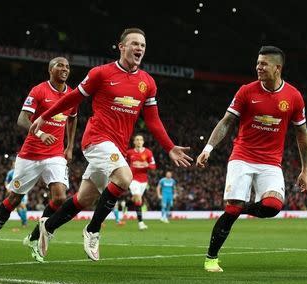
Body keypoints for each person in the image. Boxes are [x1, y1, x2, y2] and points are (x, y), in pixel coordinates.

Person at [29, 27, 192, 261]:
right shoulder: (101, 73)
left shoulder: (148, 82)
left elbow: (153, 120)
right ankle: (93, 230)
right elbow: (74, 97)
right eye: (134, 44)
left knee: (84, 198)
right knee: (125, 177)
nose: (139, 48)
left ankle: (48, 226)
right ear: (121, 46)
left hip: (115, 145)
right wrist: (45, 116)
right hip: (96, 139)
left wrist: (169, 147)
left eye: (143, 45)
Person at [196, 46, 307, 272]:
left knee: (273, 206)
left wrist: (305, 169)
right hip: (242, 158)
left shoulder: (294, 97)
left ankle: (241, 208)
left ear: (277, 68)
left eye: (264, 64)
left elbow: (302, 132)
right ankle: (211, 257)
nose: (258, 67)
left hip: (271, 163)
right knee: (232, 209)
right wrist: (208, 148)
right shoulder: (246, 91)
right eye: (257, 63)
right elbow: (227, 121)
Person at [0, 57, 77, 264]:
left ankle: (34, 238)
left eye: (68, 66)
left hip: (55, 154)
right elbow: (22, 119)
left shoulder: (71, 94)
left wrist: (69, 146)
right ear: (50, 69)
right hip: (31, 155)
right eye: (60, 65)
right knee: (14, 198)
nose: (65, 69)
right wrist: (41, 134)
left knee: (60, 198)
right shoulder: (39, 91)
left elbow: (73, 117)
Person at [125, 134, 156, 230]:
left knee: (137, 200)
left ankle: (125, 204)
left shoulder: (148, 152)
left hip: (144, 180)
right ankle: (141, 223)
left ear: (143, 142)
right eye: (137, 140)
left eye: (141, 139)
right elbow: (124, 163)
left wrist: (145, 165)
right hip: (133, 179)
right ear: (134, 142)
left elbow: (153, 166)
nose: (139, 141)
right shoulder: (129, 153)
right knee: (138, 198)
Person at [4, 160, 28, 227]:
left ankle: (24, 222)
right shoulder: (10, 173)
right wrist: (7, 188)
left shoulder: (21, 172)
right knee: (18, 209)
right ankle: (24, 221)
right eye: (13, 164)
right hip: (14, 192)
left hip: (22, 191)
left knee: (23, 206)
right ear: (12, 165)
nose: (14, 165)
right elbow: (6, 181)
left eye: (15, 164)